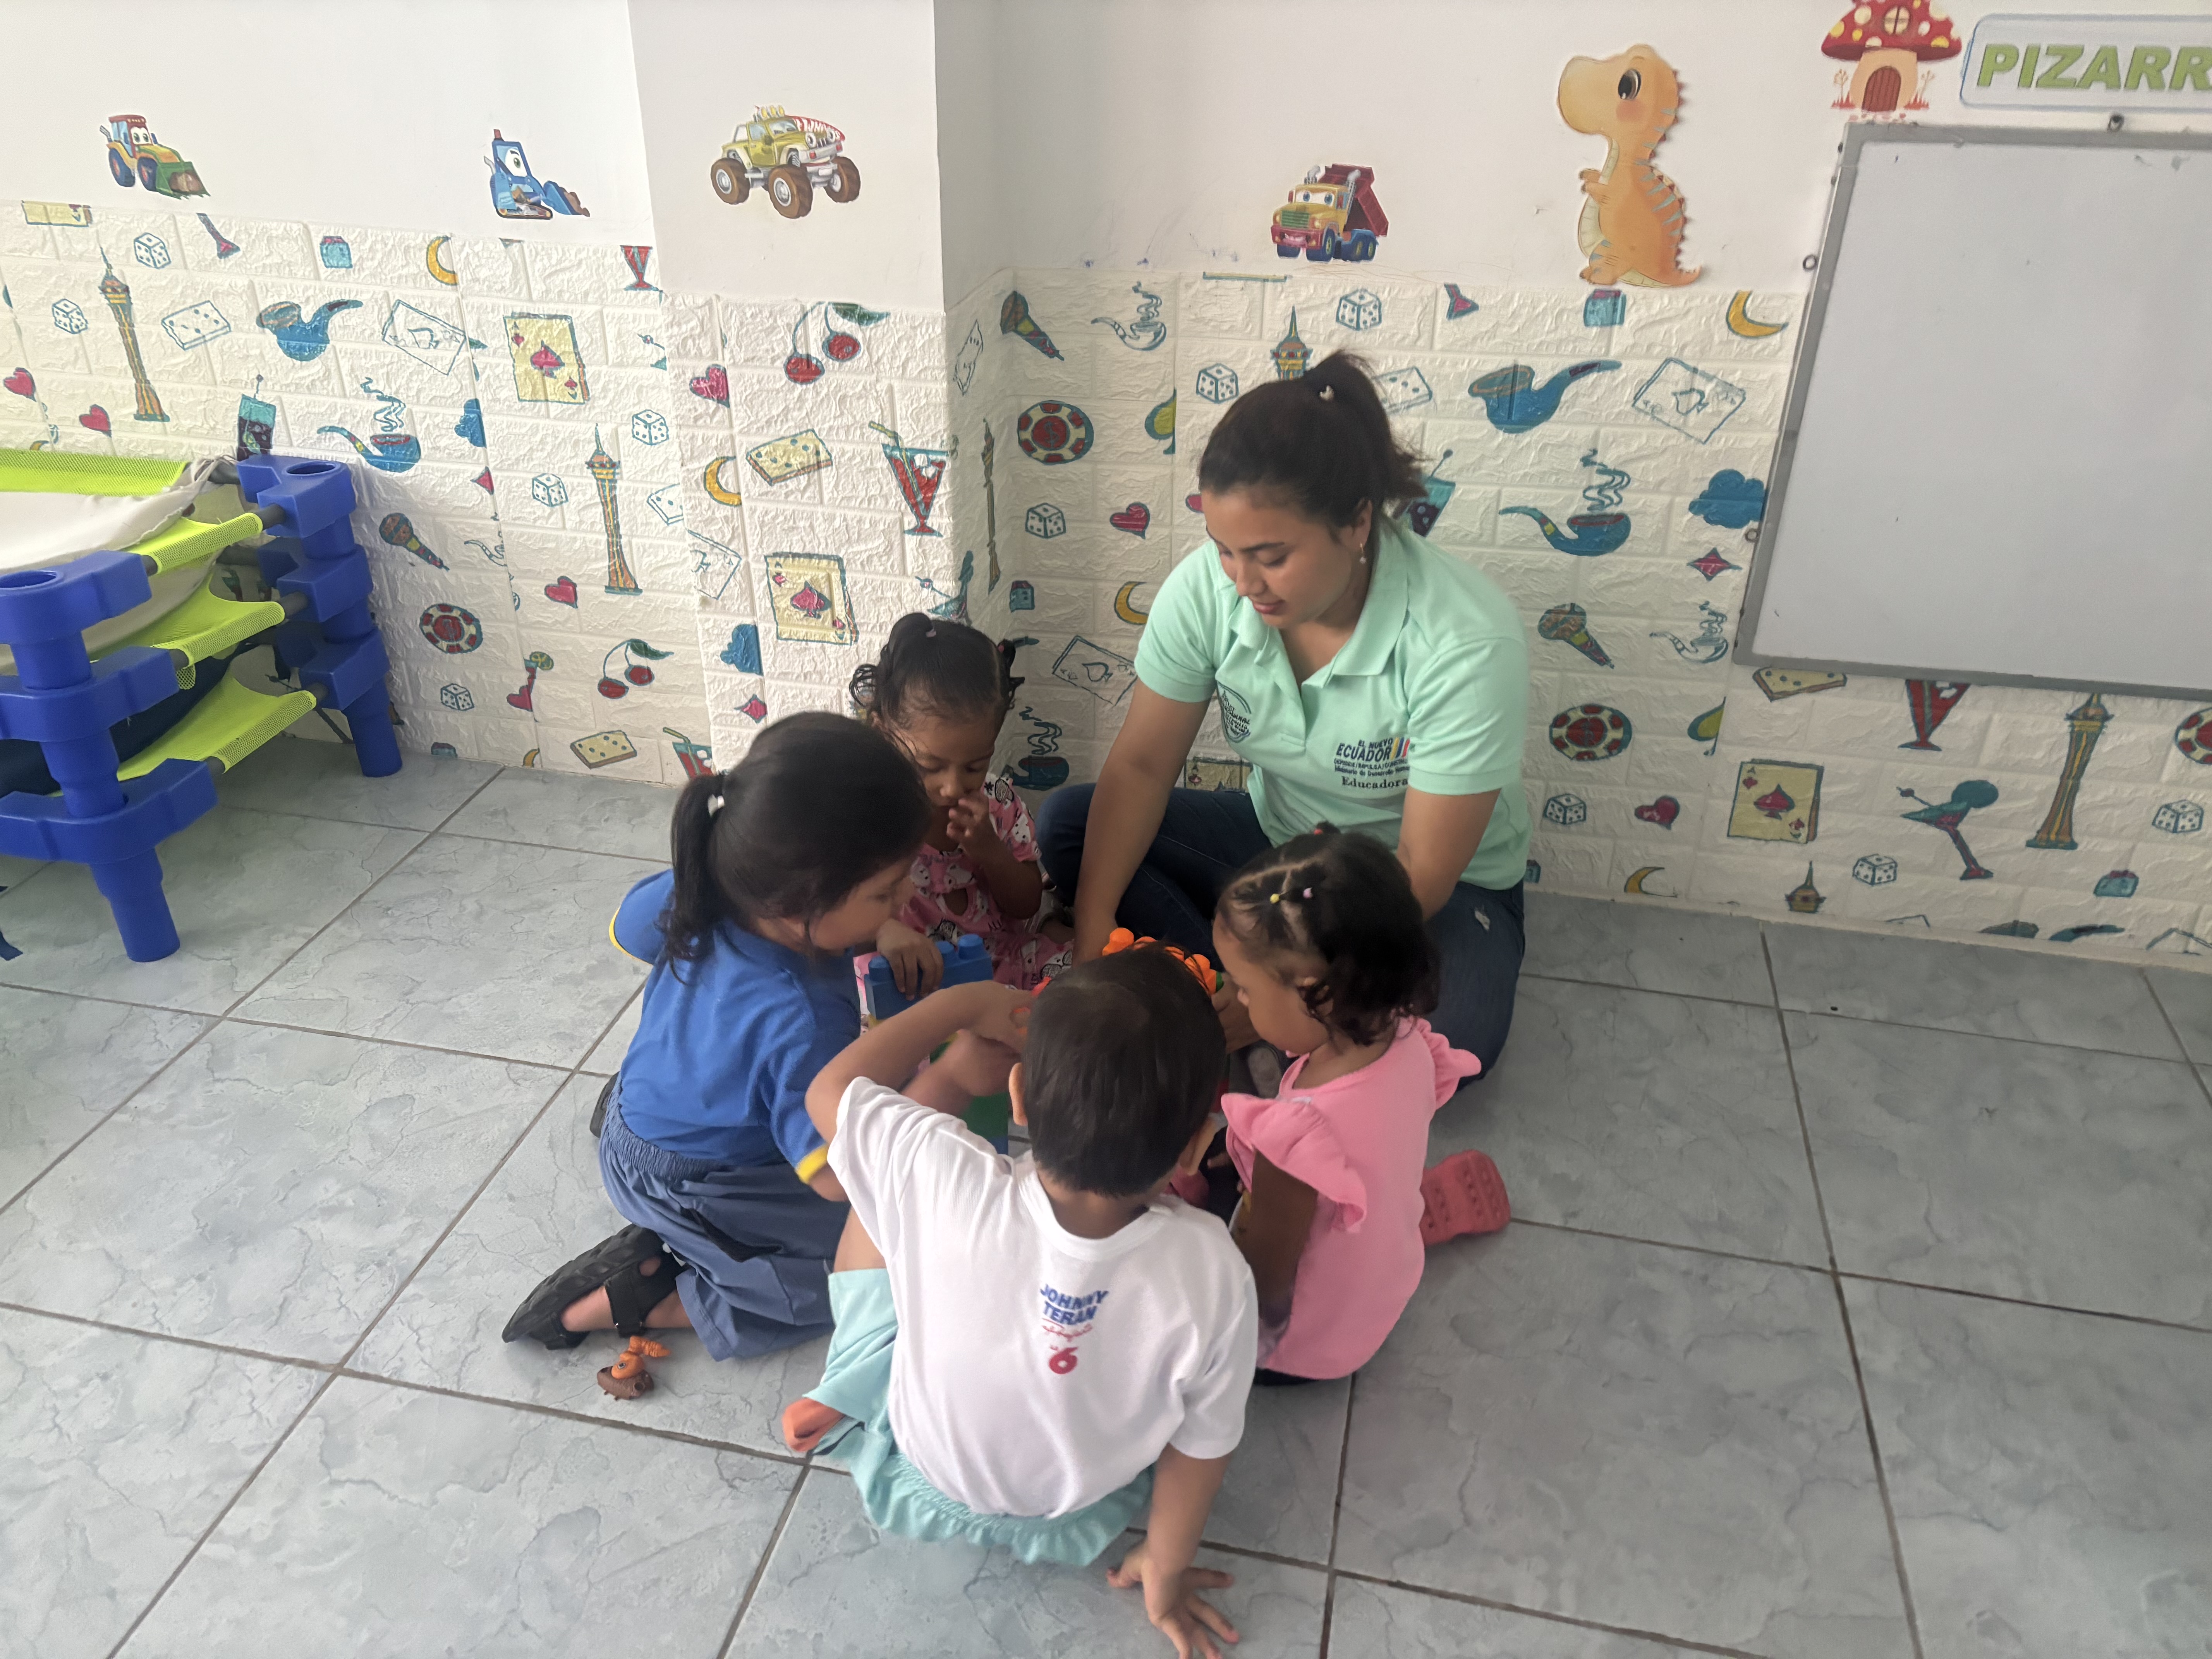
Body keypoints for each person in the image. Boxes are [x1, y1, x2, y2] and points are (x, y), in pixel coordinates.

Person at [1036, 350, 1532, 1073]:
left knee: (1454, 1036)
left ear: (1357, 523)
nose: (1243, 584)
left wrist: (1288, 992)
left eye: (1270, 556)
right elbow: (1141, 765)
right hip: (1283, 844)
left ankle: (1232, 1001)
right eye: (1224, 551)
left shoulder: (1464, 640)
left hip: (1424, 889)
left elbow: (1422, 870)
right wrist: (1092, 937)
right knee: (1071, 828)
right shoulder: (1206, 592)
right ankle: (1228, 993)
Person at [779, 948, 1258, 1659]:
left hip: (920, 1475)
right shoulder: (1216, 1270)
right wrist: (1165, 1567)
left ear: (1019, 1099)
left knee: (875, 1196)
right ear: (1194, 1146)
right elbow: (1202, 1444)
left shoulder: (938, 1171)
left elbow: (829, 1090)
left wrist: (960, 1011)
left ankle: (857, 1392)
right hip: (1077, 1513)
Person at [503, 712, 974, 1362]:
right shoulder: (803, 1019)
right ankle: (638, 1297)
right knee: (874, 1264)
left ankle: (659, 1126)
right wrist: (951, 1065)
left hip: (642, 1114)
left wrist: (879, 927)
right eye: (885, 893)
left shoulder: (713, 882)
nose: (904, 902)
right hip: (693, 1180)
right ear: (801, 900)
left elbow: (627, 928)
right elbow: (839, 1178)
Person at [1206, 828, 1508, 1385]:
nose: (1238, 1000)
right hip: (1382, 1293)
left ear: (1314, 992)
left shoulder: (1294, 1144)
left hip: (1302, 1350)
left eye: (1245, 988)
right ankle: (1385, 1219)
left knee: (1180, 1220)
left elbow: (1262, 1287)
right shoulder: (1409, 1041)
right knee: (1293, 1170)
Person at [850, 613, 1067, 996]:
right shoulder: (866, 816)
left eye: (974, 766)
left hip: (999, 962)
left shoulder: (997, 803)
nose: (952, 787)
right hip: (911, 979)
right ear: (883, 732)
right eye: (929, 767)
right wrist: (883, 930)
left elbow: (1026, 905)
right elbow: (830, 916)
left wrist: (991, 852)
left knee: (1086, 985)